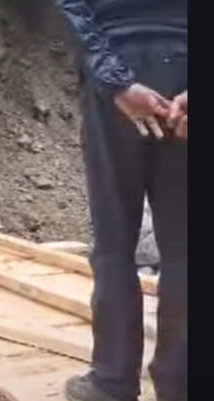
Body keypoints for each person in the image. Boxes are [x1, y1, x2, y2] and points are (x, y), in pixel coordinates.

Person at [54, 1, 187, 401]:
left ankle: (112, 381)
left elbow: (71, 7)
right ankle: (182, 383)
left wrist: (117, 83)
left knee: (114, 243)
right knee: (187, 251)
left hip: (116, 69)